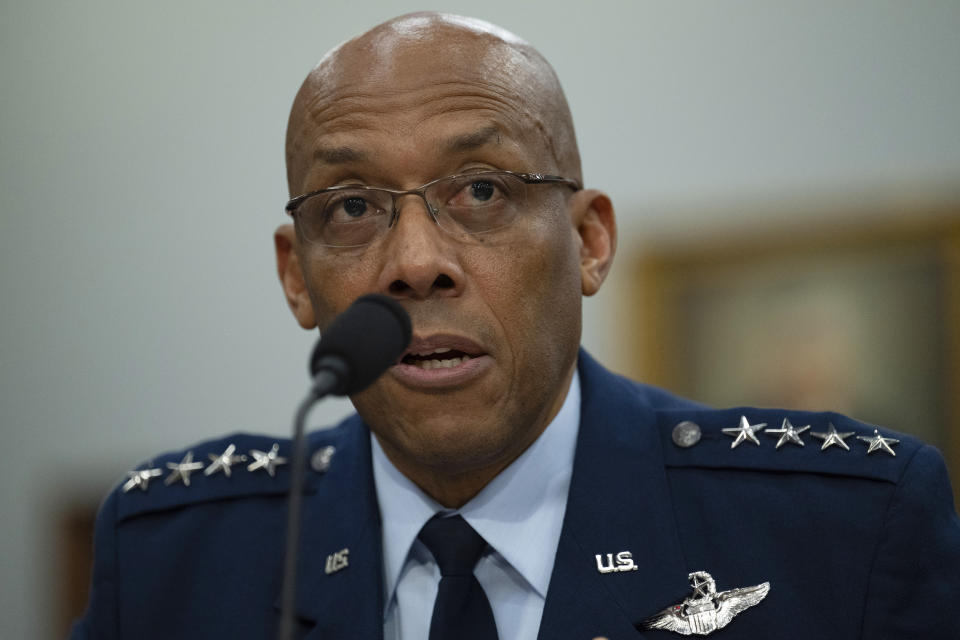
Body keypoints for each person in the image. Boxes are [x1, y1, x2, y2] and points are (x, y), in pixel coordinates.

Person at [71, 12, 960, 640]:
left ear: (589, 242)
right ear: (296, 278)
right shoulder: (173, 561)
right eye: (351, 207)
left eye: (483, 190)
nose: (416, 261)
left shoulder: (843, 534)